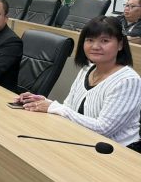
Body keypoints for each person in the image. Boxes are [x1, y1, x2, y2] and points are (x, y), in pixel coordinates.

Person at [16, 16, 141, 148]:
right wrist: (43, 102)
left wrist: (54, 107)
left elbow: (103, 129)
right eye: (90, 40)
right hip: (82, 138)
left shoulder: (128, 81)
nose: (95, 46)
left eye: (105, 41)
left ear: (120, 45)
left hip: (115, 150)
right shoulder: (87, 69)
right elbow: (68, 107)